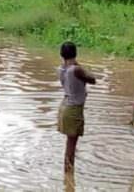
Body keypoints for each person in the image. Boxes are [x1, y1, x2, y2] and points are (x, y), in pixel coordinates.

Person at [58, 41, 96, 175]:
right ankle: (69, 176)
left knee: (70, 143)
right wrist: (78, 64)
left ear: (61, 55)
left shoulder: (61, 69)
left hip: (65, 105)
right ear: (75, 53)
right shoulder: (76, 69)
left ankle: (68, 174)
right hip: (73, 109)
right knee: (71, 145)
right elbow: (93, 79)